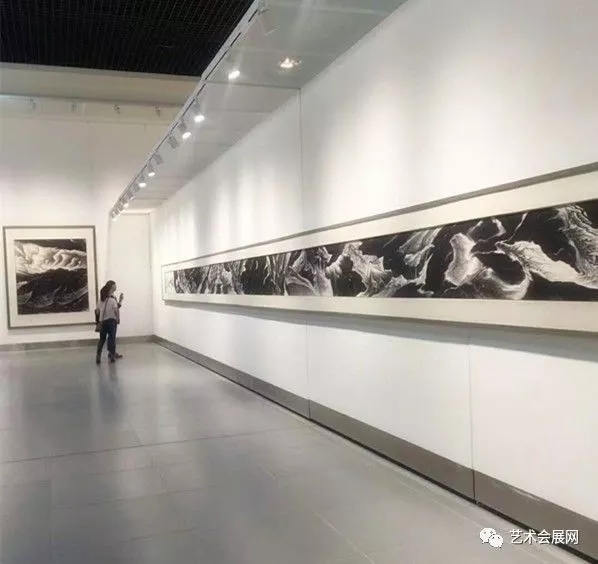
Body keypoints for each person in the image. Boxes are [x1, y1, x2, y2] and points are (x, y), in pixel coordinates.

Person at [95, 280, 124, 364]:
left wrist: (98, 321)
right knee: (112, 338)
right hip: (111, 321)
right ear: (112, 287)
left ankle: (98, 355)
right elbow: (116, 309)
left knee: (102, 339)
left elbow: (97, 311)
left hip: (103, 322)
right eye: (115, 285)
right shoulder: (112, 299)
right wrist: (118, 318)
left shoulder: (101, 300)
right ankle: (112, 355)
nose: (116, 286)